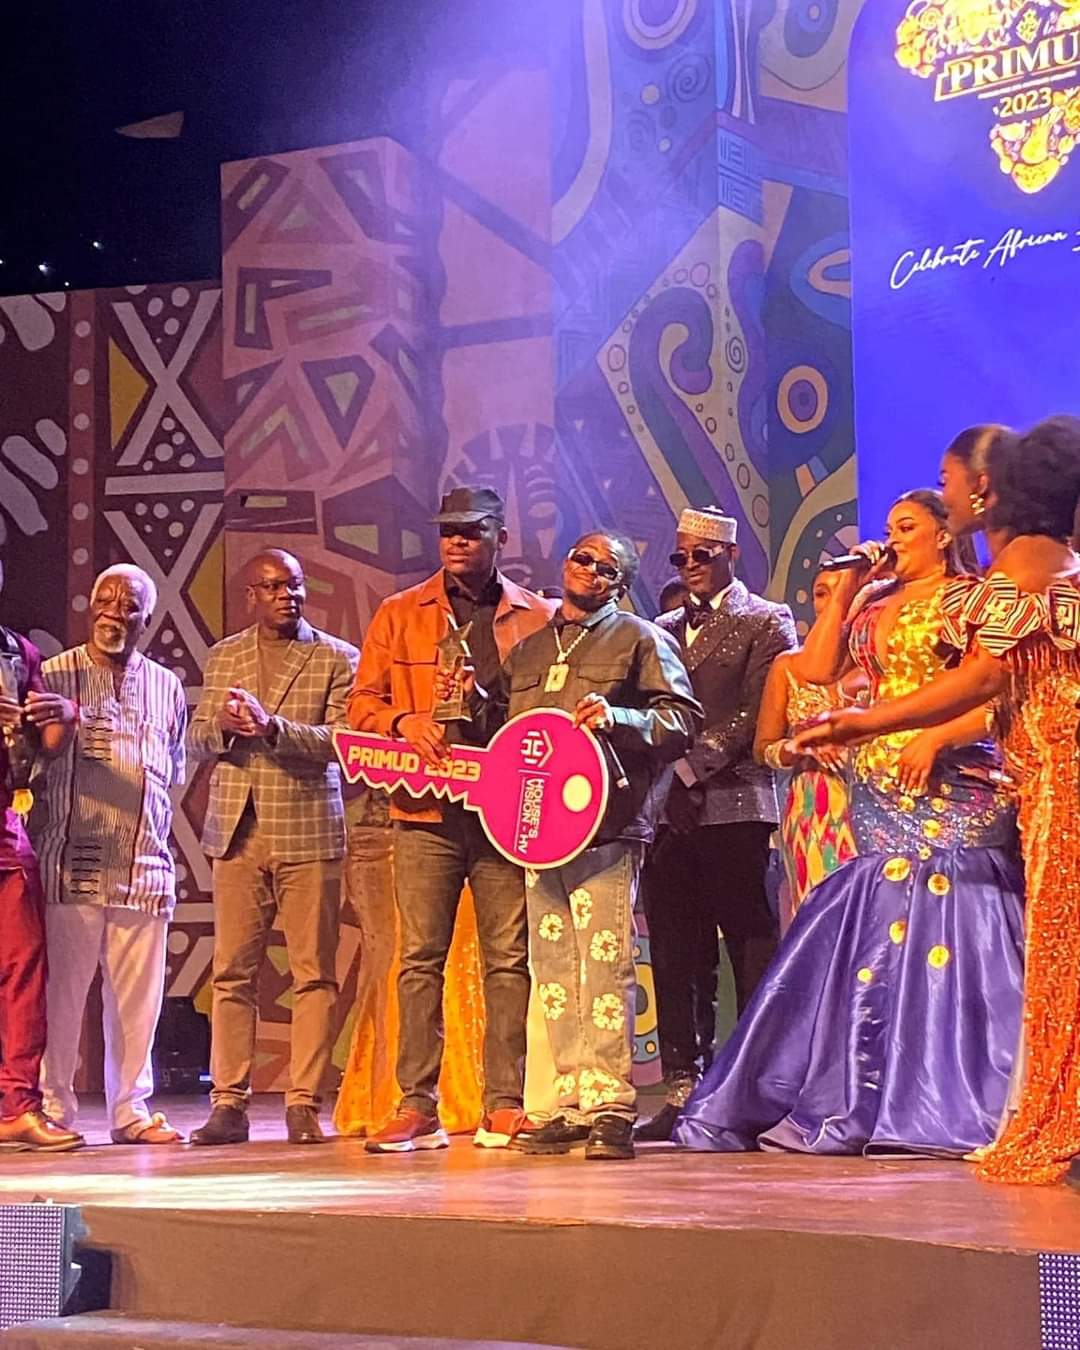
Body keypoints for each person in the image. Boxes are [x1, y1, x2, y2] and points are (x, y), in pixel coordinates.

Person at [674, 489, 1026, 1158]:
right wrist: (848, 589)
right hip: (877, 796)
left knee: (952, 919)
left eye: (906, 527)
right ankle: (872, 1087)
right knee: (885, 928)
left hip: (955, 786)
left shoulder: (974, 599)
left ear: (946, 534)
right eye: (888, 527)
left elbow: (1003, 691)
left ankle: (959, 1088)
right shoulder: (871, 598)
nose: (891, 537)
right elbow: (812, 669)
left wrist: (938, 740)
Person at [799, 420, 1080, 1184]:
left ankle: (1055, 1123)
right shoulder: (1053, 562)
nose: (946, 493)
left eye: (947, 481)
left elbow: (985, 681)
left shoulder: (1022, 566)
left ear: (988, 489)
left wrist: (868, 719)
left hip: (1061, 777)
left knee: (1062, 953)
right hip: (1045, 775)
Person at [458, 530, 701, 1160]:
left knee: (605, 962)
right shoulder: (533, 649)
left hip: (608, 825)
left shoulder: (641, 639)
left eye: (604, 565)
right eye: (581, 556)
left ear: (619, 582)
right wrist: (465, 702)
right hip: (538, 832)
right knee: (554, 968)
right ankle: (566, 1100)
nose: (588, 569)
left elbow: (681, 720)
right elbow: (502, 734)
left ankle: (612, 1105)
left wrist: (620, 718)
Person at [347, 486, 555, 1153]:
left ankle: (504, 1104)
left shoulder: (536, 615)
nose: (457, 541)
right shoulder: (401, 613)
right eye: (448, 531)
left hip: (502, 813)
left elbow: (553, 707)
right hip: (426, 810)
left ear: (500, 535)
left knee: (508, 960)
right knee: (419, 959)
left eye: (471, 530)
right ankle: (416, 1105)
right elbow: (361, 707)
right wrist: (405, 721)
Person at [189, 548, 359, 1146]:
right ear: (252, 595)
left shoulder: (337, 656)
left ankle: (303, 1101)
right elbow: (200, 734)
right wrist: (223, 727)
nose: (288, 594)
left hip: (308, 827)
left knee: (313, 973)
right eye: (274, 586)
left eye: (296, 584)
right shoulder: (225, 654)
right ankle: (229, 1102)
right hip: (238, 830)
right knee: (232, 971)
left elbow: (343, 741)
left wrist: (271, 728)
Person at [636, 507, 796, 1141]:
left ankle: (757, 1085)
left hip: (734, 805)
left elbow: (757, 710)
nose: (691, 566)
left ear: (731, 554)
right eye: (681, 557)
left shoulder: (765, 619)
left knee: (749, 944)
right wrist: (660, 780)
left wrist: (687, 768)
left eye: (703, 554)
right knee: (677, 950)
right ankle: (683, 1086)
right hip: (668, 818)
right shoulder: (659, 629)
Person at [34, 564, 186, 1144]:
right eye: (106, 600)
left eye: (129, 605)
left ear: (146, 618)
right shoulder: (54, 676)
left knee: (136, 1006)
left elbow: (173, 767)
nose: (115, 613)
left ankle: (131, 1112)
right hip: (72, 863)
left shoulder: (167, 686)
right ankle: (54, 1108)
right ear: (89, 605)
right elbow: (31, 763)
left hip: (143, 865)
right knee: (63, 1000)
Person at [0, 561, 82, 1152]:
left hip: (4, 821)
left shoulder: (16, 651)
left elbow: (37, 752)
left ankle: (18, 1106)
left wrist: (60, 721)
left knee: (25, 970)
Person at [753, 569, 857, 927]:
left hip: (877, 802)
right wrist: (797, 748)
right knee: (821, 922)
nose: (829, 603)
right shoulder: (789, 667)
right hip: (815, 811)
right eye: (820, 593)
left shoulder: (881, 665)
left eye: (840, 591)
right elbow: (763, 748)